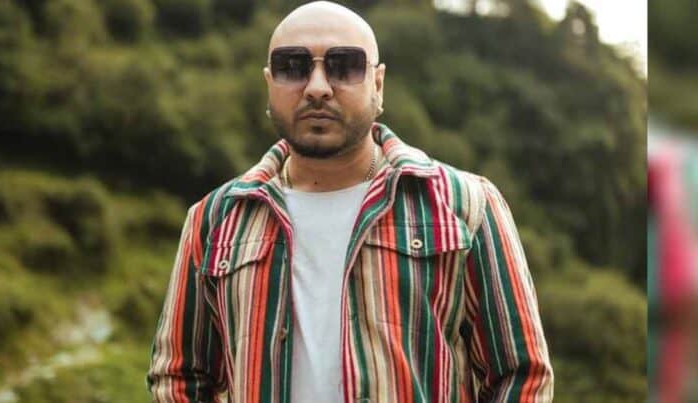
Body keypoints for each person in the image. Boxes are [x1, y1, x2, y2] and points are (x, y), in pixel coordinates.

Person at [146, 1, 554, 402]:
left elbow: (521, 375)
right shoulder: (215, 219)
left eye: (344, 66)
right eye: (292, 66)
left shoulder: (465, 205)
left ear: (378, 84)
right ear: (269, 83)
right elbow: (179, 377)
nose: (317, 87)